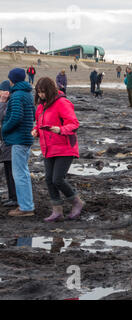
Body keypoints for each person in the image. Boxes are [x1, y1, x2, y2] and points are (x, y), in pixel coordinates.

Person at [31, 77, 83, 222]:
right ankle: (57, 211)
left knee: (58, 179)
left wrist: (60, 130)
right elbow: (40, 124)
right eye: (39, 92)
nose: (41, 95)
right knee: (49, 179)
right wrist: (36, 131)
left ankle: (77, 202)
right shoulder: (41, 106)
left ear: (50, 90)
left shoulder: (62, 103)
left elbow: (74, 124)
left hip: (65, 147)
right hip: (48, 148)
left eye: (43, 92)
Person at [2, 68, 35, 217]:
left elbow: (16, 117)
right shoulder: (28, 94)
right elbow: (33, 114)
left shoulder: (16, 96)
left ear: (12, 79)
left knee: (19, 174)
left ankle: (26, 207)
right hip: (26, 138)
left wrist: (4, 129)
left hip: (18, 139)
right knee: (24, 173)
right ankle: (27, 204)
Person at [0, 80, 17, 207]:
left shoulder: (8, 103)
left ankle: (15, 198)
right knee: (8, 170)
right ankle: (12, 196)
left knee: (11, 171)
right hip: (7, 142)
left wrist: (2, 101)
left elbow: (1, 116)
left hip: (11, 142)